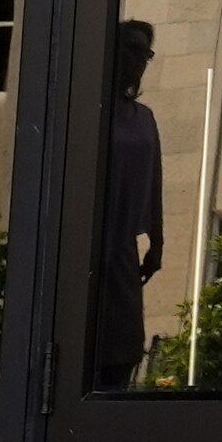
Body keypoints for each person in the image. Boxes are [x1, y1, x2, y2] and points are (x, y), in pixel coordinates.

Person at [87, 19, 163, 390]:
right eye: (130, 49)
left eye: (144, 53)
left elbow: (155, 181)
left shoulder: (144, 119)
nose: (138, 60)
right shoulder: (89, 113)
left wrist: (158, 243)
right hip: (86, 248)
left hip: (123, 251)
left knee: (123, 353)